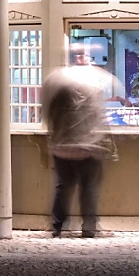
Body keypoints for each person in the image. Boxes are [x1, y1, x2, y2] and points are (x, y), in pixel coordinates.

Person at [41, 47, 119, 238]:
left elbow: (48, 113)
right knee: (89, 187)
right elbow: (98, 115)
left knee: (64, 186)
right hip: (88, 146)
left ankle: (57, 225)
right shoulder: (92, 82)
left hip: (62, 146)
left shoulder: (57, 81)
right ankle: (89, 227)